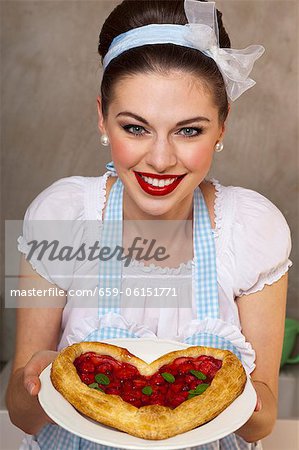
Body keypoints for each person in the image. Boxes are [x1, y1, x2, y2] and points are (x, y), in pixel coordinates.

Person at [6, 0, 292, 449]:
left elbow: (264, 421)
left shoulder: (253, 228)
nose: (160, 159)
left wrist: (243, 401)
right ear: (102, 116)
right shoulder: (59, 217)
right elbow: (22, 417)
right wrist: (36, 375)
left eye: (189, 130)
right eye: (135, 128)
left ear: (222, 127)